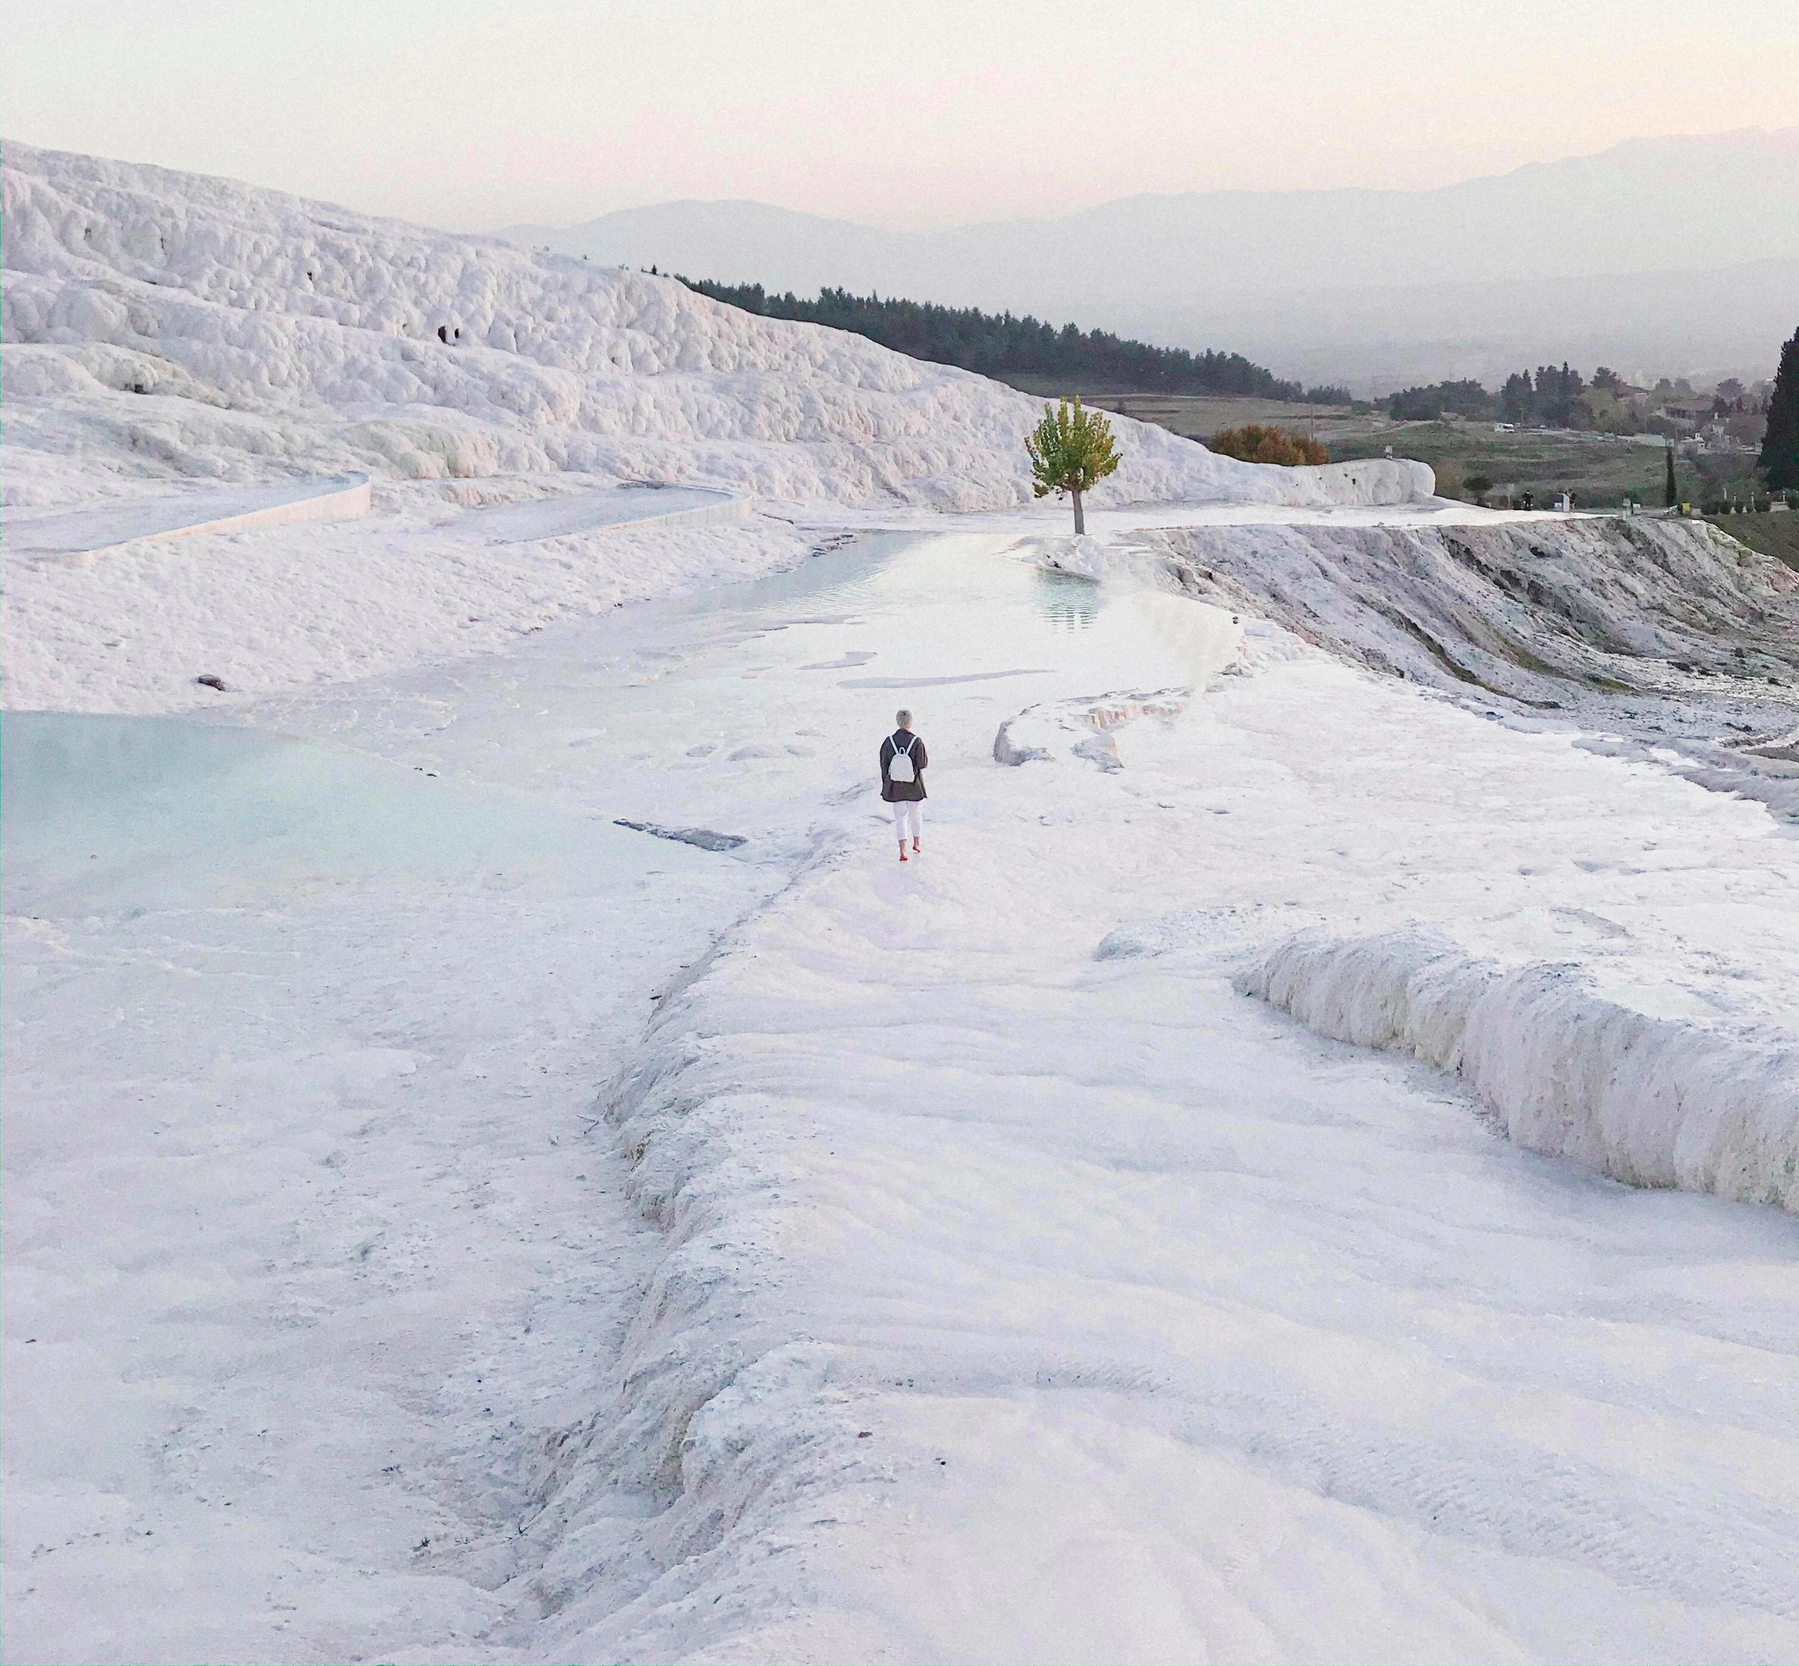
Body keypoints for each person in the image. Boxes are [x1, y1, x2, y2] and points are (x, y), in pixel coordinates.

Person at [879, 708, 927, 862]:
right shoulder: (916, 741)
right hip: (914, 786)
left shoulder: (888, 742)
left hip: (896, 787)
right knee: (915, 815)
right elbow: (922, 763)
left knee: (900, 818)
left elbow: (884, 765)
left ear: (897, 722)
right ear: (910, 722)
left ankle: (903, 850)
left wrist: (886, 784)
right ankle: (917, 843)